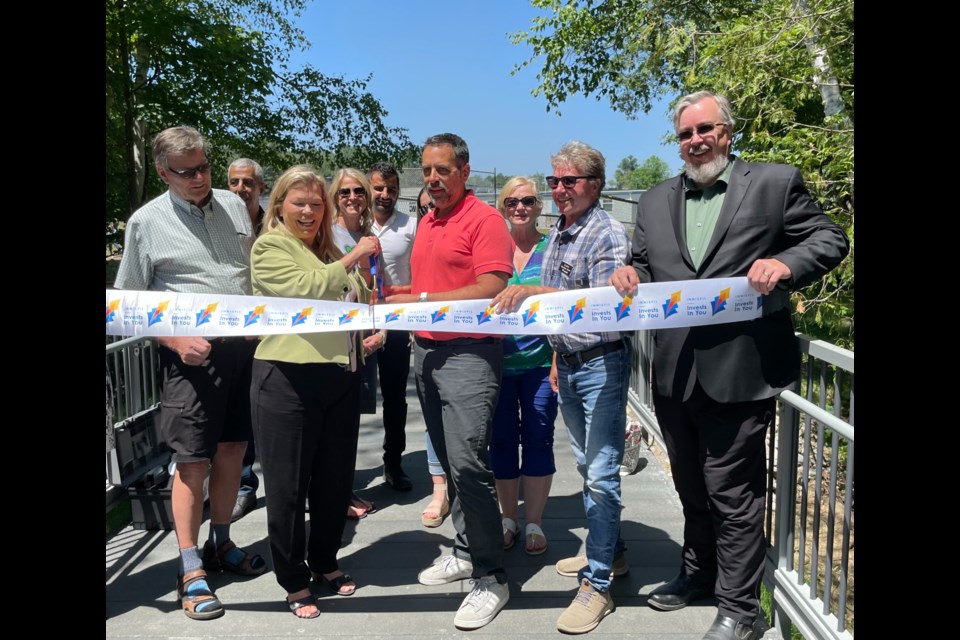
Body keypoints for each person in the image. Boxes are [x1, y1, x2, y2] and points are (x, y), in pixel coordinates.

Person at [609, 91, 849, 640]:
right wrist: (628, 275)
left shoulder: (773, 182)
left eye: (705, 130)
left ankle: (742, 609)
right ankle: (697, 576)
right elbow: (644, 265)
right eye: (685, 134)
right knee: (691, 484)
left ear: (727, 131)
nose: (695, 142)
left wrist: (784, 263)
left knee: (732, 492)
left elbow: (830, 238)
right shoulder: (652, 201)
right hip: (673, 369)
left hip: (742, 369)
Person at [114, 126, 266, 621]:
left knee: (233, 451)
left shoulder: (232, 204)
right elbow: (124, 308)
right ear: (162, 173)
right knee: (193, 462)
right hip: (189, 360)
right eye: (187, 172)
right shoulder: (145, 222)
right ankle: (189, 566)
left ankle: (222, 542)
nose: (201, 177)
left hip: (242, 352)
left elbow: (248, 273)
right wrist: (175, 340)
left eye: (204, 166)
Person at [492, 141, 631, 634]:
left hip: (600, 365)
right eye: (554, 181)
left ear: (594, 184)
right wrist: (555, 355)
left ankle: (597, 586)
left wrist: (530, 290)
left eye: (568, 181)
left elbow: (596, 301)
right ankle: (609, 555)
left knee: (600, 474)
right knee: (589, 466)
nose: (558, 190)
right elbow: (559, 312)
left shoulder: (606, 231)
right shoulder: (564, 232)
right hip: (569, 363)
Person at [385, 133, 513, 630]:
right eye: (427, 172)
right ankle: (464, 549)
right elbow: (429, 287)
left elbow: (492, 286)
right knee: (448, 461)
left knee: (466, 463)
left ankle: (491, 576)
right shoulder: (430, 220)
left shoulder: (484, 219)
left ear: (464, 170)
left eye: (442, 170)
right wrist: (395, 295)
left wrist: (420, 302)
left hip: (469, 355)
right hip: (427, 352)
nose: (433, 180)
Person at [249, 165, 381, 618]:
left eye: (315, 203)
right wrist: (351, 260)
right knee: (288, 487)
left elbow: (357, 294)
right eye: (298, 203)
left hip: (340, 375)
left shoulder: (324, 247)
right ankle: (292, 579)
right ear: (279, 205)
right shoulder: (270, 247)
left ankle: (325, 561)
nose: (308, 211)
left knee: (334, 482)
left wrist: (360, 291)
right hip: (286, 378)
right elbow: (304, 292)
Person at [490, 177, 558, 556]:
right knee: (500, 441)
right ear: (502, 206)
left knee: (539, 438)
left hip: (539, 366)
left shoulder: (551, 248)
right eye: (512, 201)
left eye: (528, 200)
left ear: (538, 205)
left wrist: (556, 361)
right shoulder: (492, 248)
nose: (520, 207)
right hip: (496, 365)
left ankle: (534, 522)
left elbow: (567, 303)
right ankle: (507, 518)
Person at [329, 167, 386, 520]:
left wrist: (380, 330)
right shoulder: (325, 234)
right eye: (345, 192)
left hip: (361, 343)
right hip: (330, 343)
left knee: (348, 422)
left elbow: (376, 287)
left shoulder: (369, 235)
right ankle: (331, 496)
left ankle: (342, 490)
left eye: (359, 192)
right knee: (331, 425)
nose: (352, 198)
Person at [367, 161, 417, 492]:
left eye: (392, 189)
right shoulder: (352, 224)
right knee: (348, 398)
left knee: (395, 398)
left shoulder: (412, 225)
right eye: (379, 188)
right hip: (358, 322)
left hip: (397, 322)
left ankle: (393, 463)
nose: (386, 195)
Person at [227, 157, 268, 522]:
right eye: (234, 183)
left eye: (248, 183)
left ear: (261, 189)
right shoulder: (219, 223)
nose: (240, 190)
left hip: (274, 333)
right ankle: (243, 485)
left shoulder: (276, 225)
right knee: (239, 412)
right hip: (234, 334)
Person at [412, 186, 450, 527]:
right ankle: (440, 491)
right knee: (432, 421)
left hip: (462, 344)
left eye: (434, 206)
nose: (430, 212)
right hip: (423, 341)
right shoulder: (422, 231)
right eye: (423, 208)